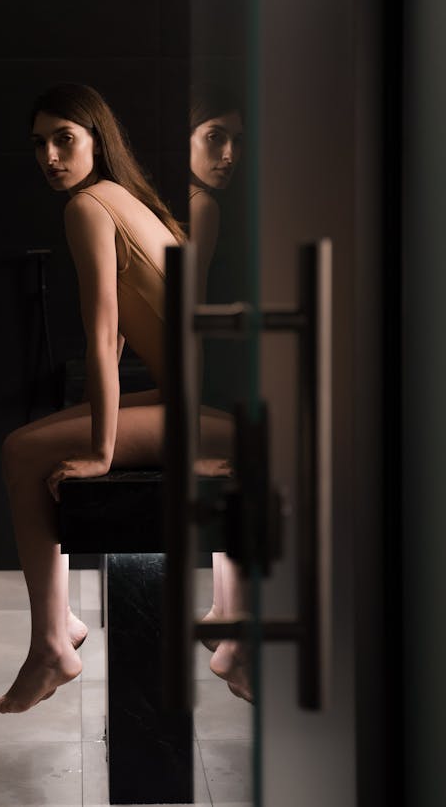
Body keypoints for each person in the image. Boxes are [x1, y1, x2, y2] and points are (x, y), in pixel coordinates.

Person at [0, 83, 233, 714]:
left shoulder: (87, 207)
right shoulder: (124, 198)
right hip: (206, 403)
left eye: (65, 139)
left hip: (204, 416)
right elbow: (133, 318)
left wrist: (102, 452)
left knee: (21, 451)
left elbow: (101, 339)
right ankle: (58, 630)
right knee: (32, 443)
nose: (50, 156)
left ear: (98, 139)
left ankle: (53, 641)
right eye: (39, 144)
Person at [188, 89, 252, 703]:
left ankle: (223, 621)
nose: (229, 153)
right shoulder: (202, 205)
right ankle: (234, 648)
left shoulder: (195, 202)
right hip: (219, 378)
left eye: (237, 140)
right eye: (214, 137)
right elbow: (193, 314)